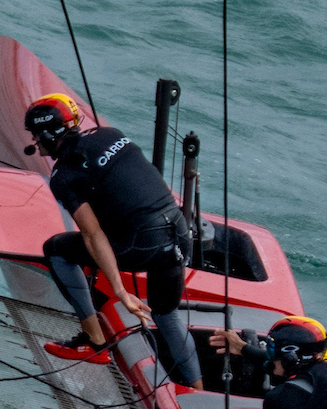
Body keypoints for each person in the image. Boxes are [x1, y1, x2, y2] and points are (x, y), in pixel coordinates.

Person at [25, 92, 202, 388]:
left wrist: (120, 291)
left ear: (47, 133)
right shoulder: (110, 135)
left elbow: (92, 235)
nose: (34, 142)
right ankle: (200, 396)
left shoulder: (64, 175)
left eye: (35, 135)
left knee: (56, 249)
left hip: (142, 245)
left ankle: (93, 342)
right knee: (166, 314)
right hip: (179, 232)